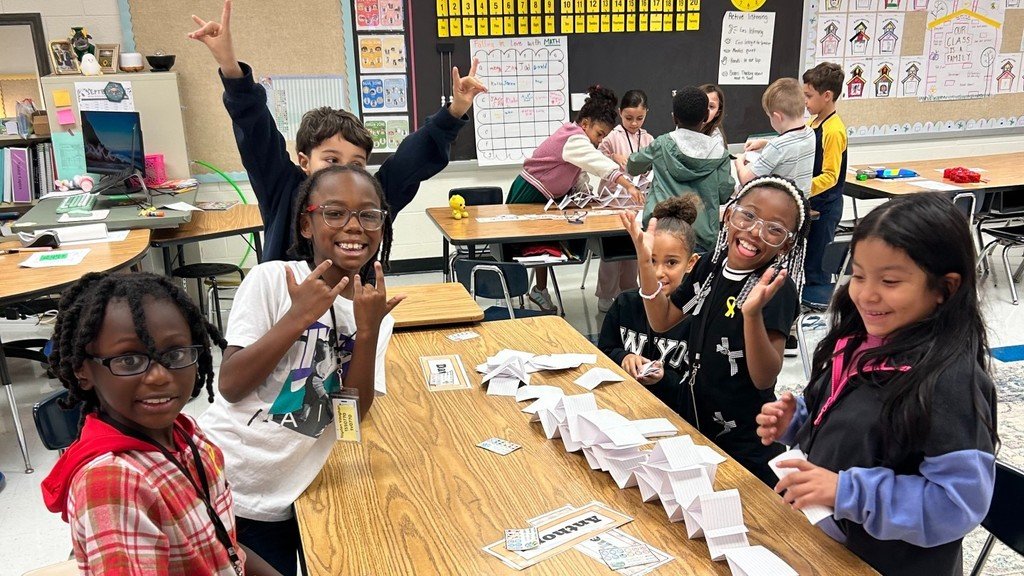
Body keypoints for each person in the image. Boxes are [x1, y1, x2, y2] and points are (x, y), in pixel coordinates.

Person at [756, 193, 998, 576]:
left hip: (889, 565)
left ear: (945, 288)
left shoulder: (950, 381)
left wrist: (847, 491)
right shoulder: (854, 342)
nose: (866, 294)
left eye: (889, 281)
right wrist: (797, 421)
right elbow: (850, 427)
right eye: (859, 273)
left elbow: (956, 505)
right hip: (827, 546)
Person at [199, 165, 403, 575]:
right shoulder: (272, 280)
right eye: (334, 212)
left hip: (296, 492)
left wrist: (367, 332)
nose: (353, 227)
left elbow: (351, 417)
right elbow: (232, 385)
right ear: (306, 225)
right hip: (227, 483)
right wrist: (299, 316)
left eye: (368, 214)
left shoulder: (373, 310)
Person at [188, 0, 487, 262]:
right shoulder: (284, 188)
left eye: (356, 164)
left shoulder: (373, 197)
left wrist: (454, 112)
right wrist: (230, 67)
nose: (344, 172)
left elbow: (412, 160)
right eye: (331, 160)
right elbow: (256, 132)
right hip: (289, 319)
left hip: (353, 318)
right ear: (304, 162)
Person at [40, 272, 278, 575]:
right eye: (129, 360)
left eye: (175, 353)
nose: (159, 376)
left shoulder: (187, 434)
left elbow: (222, 544)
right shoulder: (113, 483)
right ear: (82, 370)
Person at [622, 176, 810, 485]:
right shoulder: (712, 263)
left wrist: (750, 315)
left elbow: (765, 377)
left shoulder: (777, 286)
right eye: (748, 215)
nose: (753, 231)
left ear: (787, 244)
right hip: (694, 417)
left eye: (774, 229)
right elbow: (663, 320)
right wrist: (645, 263)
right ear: (729, 214)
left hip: (743, 442)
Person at [506, 85, 642, 312]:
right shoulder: (573, 137)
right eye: (599, 134)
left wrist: (590, 198)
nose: (599, 142)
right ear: (585, 123)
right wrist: (625, 182)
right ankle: (516, 289)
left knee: (543, 244)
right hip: (528, 193)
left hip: (544, 197)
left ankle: (538, 290)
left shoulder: (578, 140)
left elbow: (579, 175)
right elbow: (595, 162)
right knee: (523, 246)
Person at [598, 195, 700, 412]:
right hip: (624, 406)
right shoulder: (625, 303)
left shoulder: (696, 316)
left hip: (675, 418)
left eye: (671, 262)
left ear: (691, 263)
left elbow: (697, 389)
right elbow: (605, 350)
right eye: (650, 260)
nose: (658, 272)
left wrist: (663, 379)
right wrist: (624, 357)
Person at [626, 86, 734, 255]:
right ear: (706, 116)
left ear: (674, 118)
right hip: (701, 239)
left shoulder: (662, 144)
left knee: (657, 280)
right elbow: (724, 193)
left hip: (661, 233)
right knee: (696, 281)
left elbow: (633, 166)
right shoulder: (720, 154)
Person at [596, 89, 655, 312]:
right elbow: (596, 159)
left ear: (646, 114)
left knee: (633, 251)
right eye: (629, 118)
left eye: (639, 118)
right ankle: (605, 294)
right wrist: (612, 156)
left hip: (638, 202)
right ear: (620, 113)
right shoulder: (612, 136)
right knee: (611, 253)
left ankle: (629, 291)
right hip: (613, 202)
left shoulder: (649, 138)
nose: (634, 123)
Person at [800, 62, 848, 307]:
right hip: (812, 205)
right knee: (806, 261)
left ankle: (818, 317)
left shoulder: (833, 130)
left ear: (827, 96)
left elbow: (830, 176)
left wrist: (801, 188)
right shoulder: (813, 123)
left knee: (817, 267)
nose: (805, 102)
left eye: (809, 96)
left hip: (826, 207)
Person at [738, 78, 815, 195]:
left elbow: (747, 181)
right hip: (800, 205)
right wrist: (765, 143)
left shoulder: (777, 147)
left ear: (777, 117)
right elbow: (791, 146)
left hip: (776, 208)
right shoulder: (810, 133)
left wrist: (739, 161)